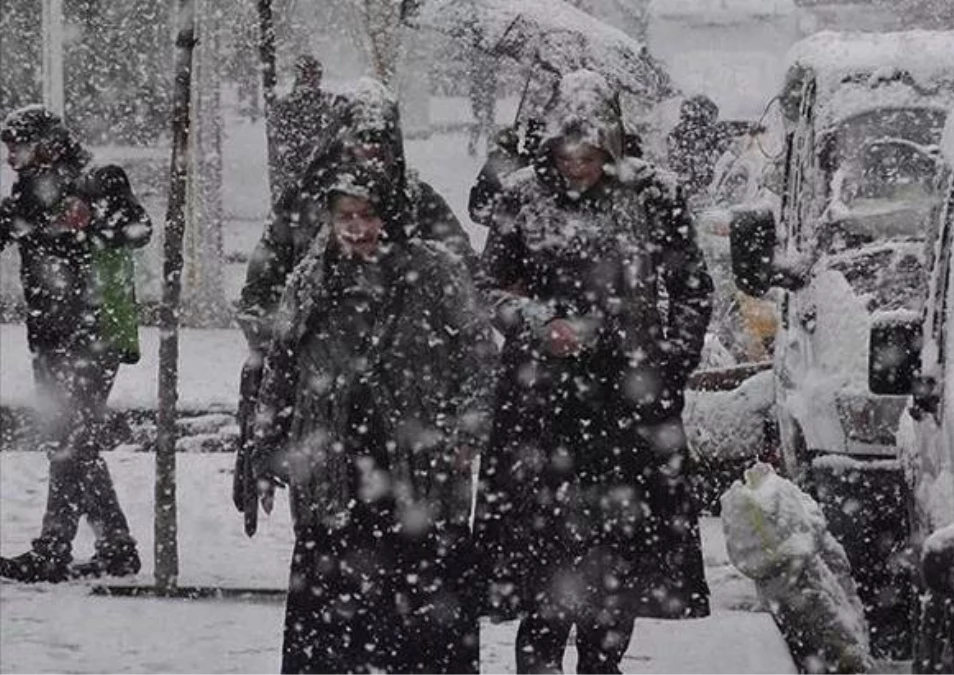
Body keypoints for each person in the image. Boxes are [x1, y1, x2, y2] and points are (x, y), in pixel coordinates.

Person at [474, 70, 714, 675]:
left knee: (619, 555)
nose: (577, 165)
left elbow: (691, 289)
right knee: (543, 550)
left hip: (627, 407)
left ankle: (601, 662)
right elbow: (488, 287)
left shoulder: (653, 194)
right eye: (566, 152)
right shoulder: (522, 196)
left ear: (610, 145)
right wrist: (536, 321)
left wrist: (666, 367)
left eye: (589, 153)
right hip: (539, 406)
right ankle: (541, 659)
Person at [250, 164, 495, 673]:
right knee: (335, 617)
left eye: (367, 215)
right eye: (345, 216)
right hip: (333, 466)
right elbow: (279, 364)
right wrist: (267, 447)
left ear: (392, 215)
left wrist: (469, 425)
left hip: (419, 466)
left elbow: (478, 350)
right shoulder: (311, 276)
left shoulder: (434, 270)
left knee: (423, 611)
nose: (356, 228)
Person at [233, 79, 476, 525]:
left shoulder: (420, 202)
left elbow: (468, 291)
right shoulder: (303, 204)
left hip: (408, 412)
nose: (371, 153)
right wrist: (305, 344)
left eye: (381, 142)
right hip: (326, 412)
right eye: (360, 140)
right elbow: (258, 299)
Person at [0, 105, 150, 582]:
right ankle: (117, 547)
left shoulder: (99, 179)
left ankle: (53, 550)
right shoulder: (26, 193)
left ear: (46, 143)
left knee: (69, 441)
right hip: (48, 336)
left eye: (17, 147)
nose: (10, 158)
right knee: (71, 442)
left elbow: (139, 229)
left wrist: (93, 220)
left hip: (96, 334)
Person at [270, 54, 334, 200]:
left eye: (315, 74)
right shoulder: (284, 106)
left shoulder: (328, 104)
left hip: (319, 175)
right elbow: (281, 146)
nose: (312, 79)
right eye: (307, 74)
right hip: (296, 175)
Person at [667, 95, 725, 200]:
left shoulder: (675, 133)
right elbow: (727, 128)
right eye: (712, 115)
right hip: (694, 185)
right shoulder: (706, 132)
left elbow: (673, 162)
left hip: (682, 185)